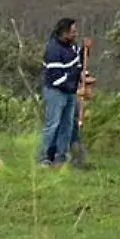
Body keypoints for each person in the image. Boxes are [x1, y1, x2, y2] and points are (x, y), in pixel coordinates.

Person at [38, 18, 83, 167]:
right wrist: (73, 77)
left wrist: (84, 52)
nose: (75, 34)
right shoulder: (53, 50)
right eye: (73, 32)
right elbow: (56, 78)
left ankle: (61, 157)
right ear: (64, 33)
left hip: (70, 92)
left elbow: (78, 63)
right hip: (56, 92)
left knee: (67, 125)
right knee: (53, 124)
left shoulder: (72, 47)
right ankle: (43, 157)